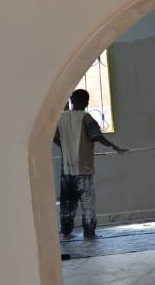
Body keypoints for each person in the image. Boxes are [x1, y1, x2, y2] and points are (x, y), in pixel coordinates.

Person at [55, 89, 128, 238]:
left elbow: (54, 137)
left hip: (66, 172)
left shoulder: (61, 118)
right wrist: (115, 147)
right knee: (87, 204)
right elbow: (97, 136)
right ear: (86, 103)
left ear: (72, 100)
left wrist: (63, 147)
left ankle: (66, 232)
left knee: (67, 204)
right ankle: (89, 233)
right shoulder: (85, 117)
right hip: (83, 170)